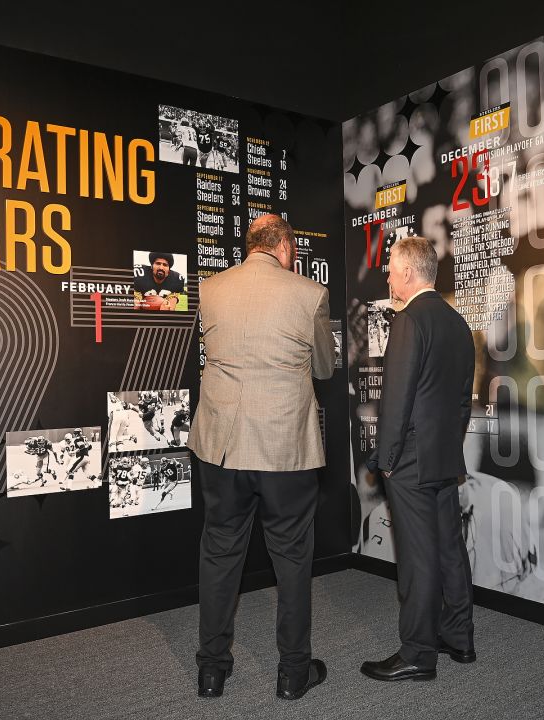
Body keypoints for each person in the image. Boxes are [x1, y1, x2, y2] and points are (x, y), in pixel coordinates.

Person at [189, 213, 335, 700]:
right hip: (283, 445)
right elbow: (324, 367)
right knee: (292, 558)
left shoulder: (210, 289)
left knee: (219, 553)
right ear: (287, 247)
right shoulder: (308, 293)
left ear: (250, 244)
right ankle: (293, 673)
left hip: (222, 445)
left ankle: (212, 670)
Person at [360, 235, 476, 682]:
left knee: (417, 555)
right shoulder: (458, 323)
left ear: (408, 271)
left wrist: (386, 459)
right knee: (449, 546)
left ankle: (417, 653)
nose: (387, 275)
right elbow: (462, 403)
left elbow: (397, 398)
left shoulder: (409, 320)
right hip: (445, 455)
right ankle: (459, 637)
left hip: (409, 458)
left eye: (390, 267)